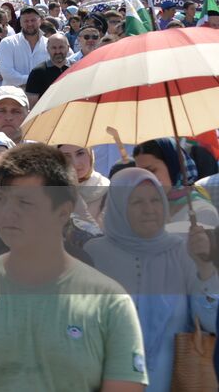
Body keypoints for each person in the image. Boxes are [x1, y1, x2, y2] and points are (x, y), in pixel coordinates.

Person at [0, 143, 147, 392]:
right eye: (1, 198)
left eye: (25, 202)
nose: (8, 212)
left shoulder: (111, 302)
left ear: (63, 212)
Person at [83, 166, 219, 391]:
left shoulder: (182, 250)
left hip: (173, 381)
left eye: (155, 200)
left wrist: (204, 266)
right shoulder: (95, 254)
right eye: (136, 203)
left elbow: (211, 319)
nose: (149, 210)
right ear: (117, 207)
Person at [133, 138, 219, 231]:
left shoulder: (202, 211)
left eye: (151, 171)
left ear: (173, 167)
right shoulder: (144, 211)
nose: (144, 179)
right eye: (140, 173)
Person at [0, 5, 51, 87]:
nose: (30, 24)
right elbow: (7, 73)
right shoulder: (8, 43)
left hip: (42, 96)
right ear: (20, 22)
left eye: (33, 20)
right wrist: (35, 80)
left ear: (40, 21)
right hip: (13, 96)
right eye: (26, 21)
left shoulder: (49, 44)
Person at [24, 33, 72, 104]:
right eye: (54, 48)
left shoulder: (76, 68)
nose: (58, 51)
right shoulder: (38, 72)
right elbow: (32, 103)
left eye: (61, 47)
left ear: (68, 48)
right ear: (47, 49)